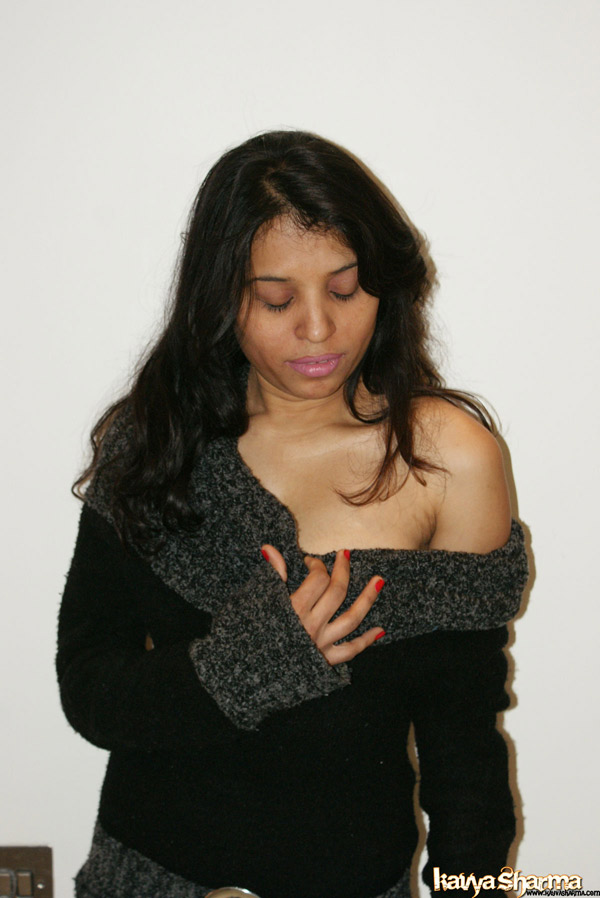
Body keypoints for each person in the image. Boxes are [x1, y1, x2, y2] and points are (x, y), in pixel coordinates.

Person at [57, 130, 529, 898]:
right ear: (220, 298)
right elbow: (91, 693)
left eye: (345, 290)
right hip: (146, 874)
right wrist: (243, 666)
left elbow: (464, 750)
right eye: (276, 299)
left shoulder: (446, 460)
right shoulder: (155, 443)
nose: (317, 329)